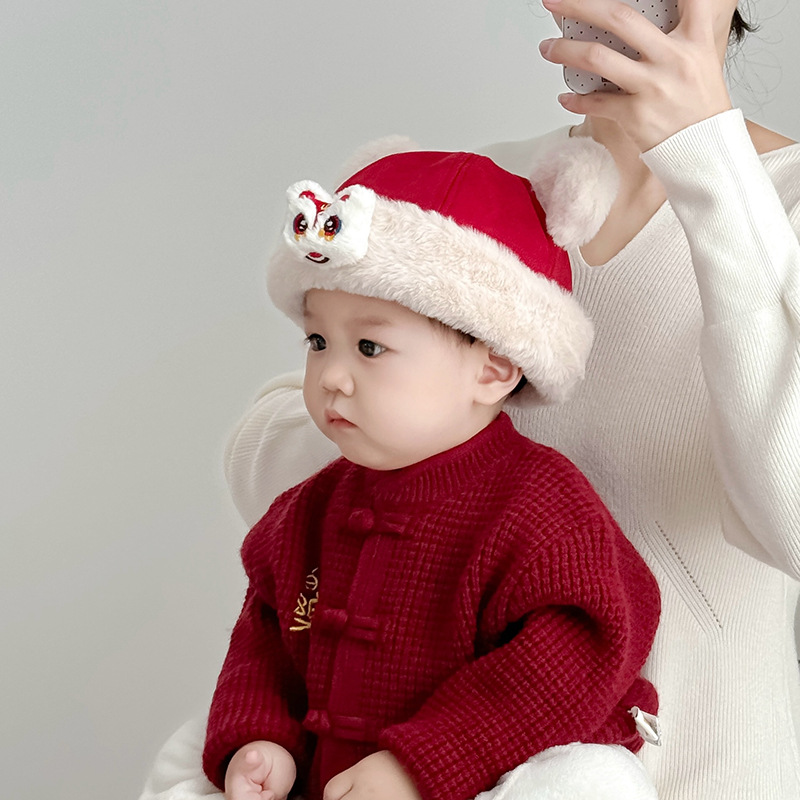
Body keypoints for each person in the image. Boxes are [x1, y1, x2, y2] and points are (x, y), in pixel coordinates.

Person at [139, 1, 800, 798]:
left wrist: (707, 157)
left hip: (711, 774)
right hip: (402, 772)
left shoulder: (778, 205)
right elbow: (282, 475)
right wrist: (444, 458)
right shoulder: (489, 192)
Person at [200, 150, 661, 800]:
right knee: (186, 770)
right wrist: (261, 737)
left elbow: (570, 662)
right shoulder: (309, 512)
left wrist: (421, 763)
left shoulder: (538, 507)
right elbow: (276, 634)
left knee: (592, 783)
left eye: (369, 347)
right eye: (316, 342)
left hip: (476, 782)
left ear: (495, 369)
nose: (331, 374)